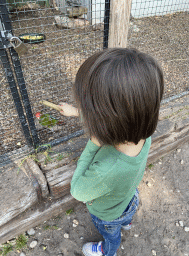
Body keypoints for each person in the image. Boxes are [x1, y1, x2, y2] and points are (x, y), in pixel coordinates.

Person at [59, 48, 164, 256]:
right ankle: (128, 222)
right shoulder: (142, 133)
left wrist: (93, 144)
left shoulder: (106, 170)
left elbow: (78, 191)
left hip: (108, 215)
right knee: (128, 210)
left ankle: (108, 251)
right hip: (130, 198)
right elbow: (115, 118)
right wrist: (78, 114)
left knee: (111, 234)